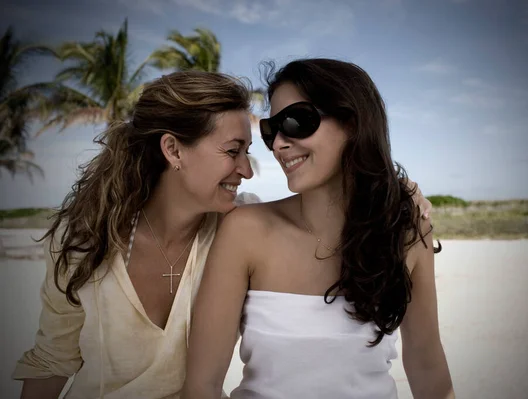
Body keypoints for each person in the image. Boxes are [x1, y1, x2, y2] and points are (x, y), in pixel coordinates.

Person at [13, 69, 433, 399]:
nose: (247, 169)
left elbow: (341, 207)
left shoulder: (242, 226)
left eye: (249, 150)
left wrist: (406, 196)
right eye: (233, 151)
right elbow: (53, 359)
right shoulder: (82, 239)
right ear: (173, 150)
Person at [183, 58, 454, 399]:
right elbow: (201, 387)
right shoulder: (246, 231)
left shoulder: (408, 233)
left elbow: (428, 368)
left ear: (353, 123)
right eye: (271, 130)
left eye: (296, 121)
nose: (279, 144)